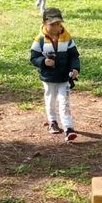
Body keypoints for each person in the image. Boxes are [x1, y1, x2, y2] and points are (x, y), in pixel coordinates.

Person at [30, 8, 80, 141]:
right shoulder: (39, 40)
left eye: (58, 24)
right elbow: (33, 57)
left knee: (65, 101)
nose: (56, 27)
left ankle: (68, 128)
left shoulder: (67, 38)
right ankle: (52, 121)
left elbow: (74, 55)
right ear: (44, 23)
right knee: (50, 99)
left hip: (64, 77)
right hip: (49, 78)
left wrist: (75, 68)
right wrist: (43, 61)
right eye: (52, 24)